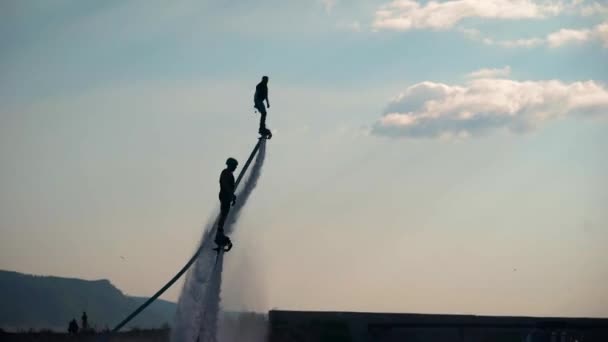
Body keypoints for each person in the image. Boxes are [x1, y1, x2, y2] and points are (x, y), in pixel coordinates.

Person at [214, 157, 238, 251]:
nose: (235, 168)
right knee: (224, 214)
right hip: (224, 196)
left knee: (225, 214)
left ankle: (220, 233)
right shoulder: (226, 173)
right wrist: (231, 194)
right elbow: (225, 185)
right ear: (230, 165)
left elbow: (230, 188)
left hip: (227, 197)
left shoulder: (230, 174)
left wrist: (233, 197)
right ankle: (219, 234)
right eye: (234, 166)